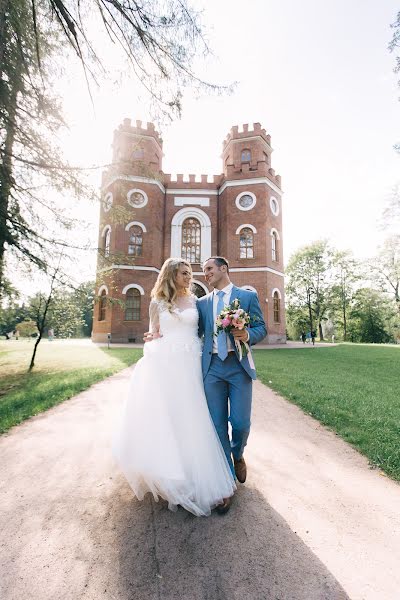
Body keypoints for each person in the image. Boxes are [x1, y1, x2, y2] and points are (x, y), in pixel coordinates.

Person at [113, 258, 236, 517]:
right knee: (169, 418)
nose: (189, 277)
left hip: (191, 364)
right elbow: (154, 332)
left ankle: (201, 475)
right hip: (166, 366)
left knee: (193, 417)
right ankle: (173, 473)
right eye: (184, 273)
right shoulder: (157, 302)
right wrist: (152, 337)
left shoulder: (196, 302)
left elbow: (205, 330)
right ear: (171, 274)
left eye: (190, 273)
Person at [197, 257, 267, 513]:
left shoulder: (245, 297)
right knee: (217, 427)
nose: (205, 274)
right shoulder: (202, 303)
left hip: (238, 367)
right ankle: (226, 482)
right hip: (212, 368)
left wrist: (248, 334)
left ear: (223, 268)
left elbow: (261, 327)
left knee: (240, 423)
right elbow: (195, 334)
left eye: (209, 269)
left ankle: (238, 454)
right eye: (204, 271)